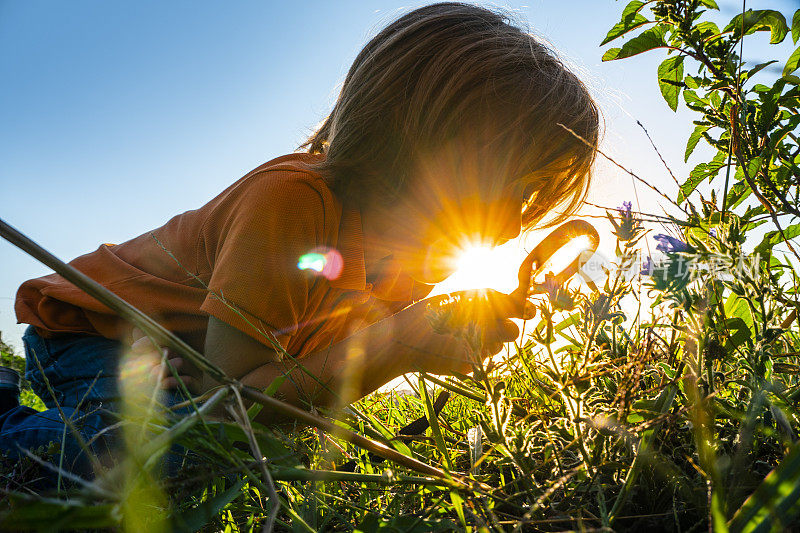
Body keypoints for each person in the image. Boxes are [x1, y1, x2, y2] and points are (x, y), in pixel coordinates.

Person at [0, 2, 599, 483]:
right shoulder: (293, 207)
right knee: (167, 457)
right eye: (511, 189)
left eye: (535, 200)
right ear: (423, 147)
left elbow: (321, 378)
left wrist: (426, 342)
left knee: (236, 455)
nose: (520, 223)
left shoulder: (418, 264)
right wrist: (401, 345)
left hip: (204, 360)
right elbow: (234, 405)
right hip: (97, 330)